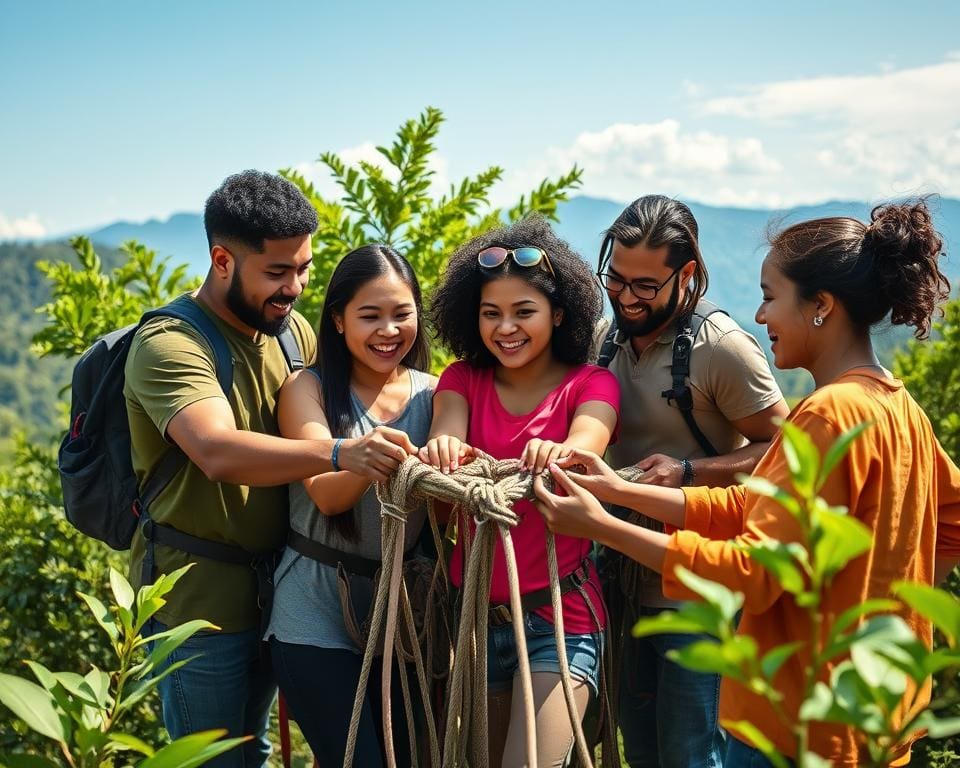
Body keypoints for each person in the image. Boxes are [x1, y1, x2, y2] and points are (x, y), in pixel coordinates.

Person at [533, 199, 960, 767]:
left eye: (769, 296)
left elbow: (755, 573)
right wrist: (619, 491)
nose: (760, 318)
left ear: (821, 307)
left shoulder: (827, 415)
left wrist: (603, 526)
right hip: (874, 716)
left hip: (795, 725)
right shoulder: (897, 406)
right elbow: (756, 506)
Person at [125, 171, 418, 767]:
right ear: (222, 260)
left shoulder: (290, 333)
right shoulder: (171, 345)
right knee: (215, 761)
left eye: (304, 268)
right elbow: (217, 451)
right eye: (278, 273)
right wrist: (341, 453)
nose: (297, 287)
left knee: (255, 751)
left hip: (283, 586)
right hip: (197, 601)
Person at [594, 194, 789, 768]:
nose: (627, 298)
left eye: (645, 286)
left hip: (700, 595)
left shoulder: (720, 347)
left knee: (690, 752)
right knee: (641, 747)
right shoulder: (608, 340)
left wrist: (687, 473)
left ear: (689, 275)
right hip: (622, 584)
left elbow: (787, 450)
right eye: (617, 279)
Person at [421, 215, 620, 767]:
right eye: (491, 314)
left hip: (560, 621)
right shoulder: (461, 379)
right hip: (477, 625)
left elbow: (589, 440)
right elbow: (447, 433)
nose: (505, 327)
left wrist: (564, 450)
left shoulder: (590, 384)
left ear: (559, 314)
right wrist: (442, 451)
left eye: (523, 312)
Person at [265, 244, 435, 767]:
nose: (388, 330)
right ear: (338, 320)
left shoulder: (437, 394)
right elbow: (325, 491)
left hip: (403, 618)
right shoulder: (306, 389)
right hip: (312, 613)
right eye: (370, 316)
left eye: (402, 314)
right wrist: (370, 455)